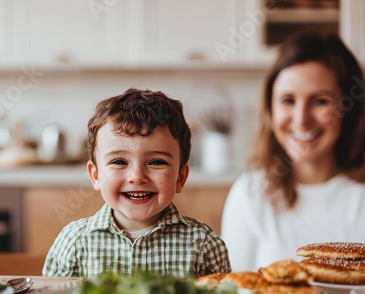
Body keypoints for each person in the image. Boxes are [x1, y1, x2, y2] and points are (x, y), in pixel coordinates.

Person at [221, 32, 365, 272]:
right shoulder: (250, 194)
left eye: (320, 101)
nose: (301, 121)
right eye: (288, 100)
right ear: (270, 109)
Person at [43, 88, 231, 277]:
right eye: (119, 162)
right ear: (95, 175)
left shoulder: (205, 245)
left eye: (156, 162)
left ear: (180, 178)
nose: (137, 176)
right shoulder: (73, 241)